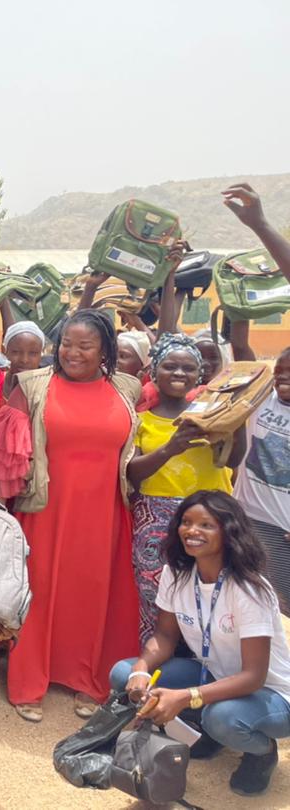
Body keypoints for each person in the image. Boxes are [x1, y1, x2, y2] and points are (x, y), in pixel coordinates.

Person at [7, 309, 141, 722]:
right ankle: (30, 681)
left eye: (85, 346)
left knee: (93, 593)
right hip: (47, 508)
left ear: (105, 351)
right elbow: (8, 449)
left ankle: (88, 679)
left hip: (106, 511)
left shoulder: (128, 388)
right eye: (66, 343)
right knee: (41, 590)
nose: (72, 353)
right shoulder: (31, 386)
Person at [110, 491, 290, 797]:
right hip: (214, 674)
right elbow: (165, 636)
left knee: (221, 717)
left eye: (206, 525)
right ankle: (209, 729)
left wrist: (185, 697)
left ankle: (261, 751)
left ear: (229, 531)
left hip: (271, 693)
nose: (192, 531)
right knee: (122, 674)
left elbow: (253, 676)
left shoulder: (249, 589)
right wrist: (141, 669)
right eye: (187, 522)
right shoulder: (177, 573)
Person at [127, 333, 244, 644]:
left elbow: (234, 458)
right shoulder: (140, 421)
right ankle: (157, 668)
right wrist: (170, 448)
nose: (179, 374)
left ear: (199, 374)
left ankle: (209, 665)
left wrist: (237, 416)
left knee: (212, 592)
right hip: (156, 519)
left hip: (213, 516)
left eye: (188, 368)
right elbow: (131, 474)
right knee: (156, 594)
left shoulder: (213, 415)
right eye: (170, 366)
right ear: (154, 373)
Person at [222, 182, 290, 612]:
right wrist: (237, 296)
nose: (284, 379)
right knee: (259, 613)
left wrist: (263, 224)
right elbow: (241, 349)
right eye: (281, 369)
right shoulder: (262, 394)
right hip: (254, 523)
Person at [0, 318, 47, 420]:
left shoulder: (45, 393)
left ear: (41, 354)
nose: (24, 360)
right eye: (16, 352)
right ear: (4, 350)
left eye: (33, 353)